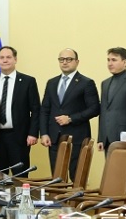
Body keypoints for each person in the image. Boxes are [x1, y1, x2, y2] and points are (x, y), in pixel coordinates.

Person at [39, 48, 100, 181]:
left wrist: (71, 118)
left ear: (77, 62)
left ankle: (75, 202)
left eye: (69, 59)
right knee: (57, 177)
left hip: (77, 137)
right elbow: (44, 109)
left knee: (76, 176)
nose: (65, 62)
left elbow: (95, 108)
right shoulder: (52, 82)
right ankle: (58, 201)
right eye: (61, 59)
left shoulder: (86, 83)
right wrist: (44, 133)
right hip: (54, 137)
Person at [0, 46, 40, 174]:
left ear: (15, 60)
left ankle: (21, 195)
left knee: (20, 175)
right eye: (2, 57)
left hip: (19, 137)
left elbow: (36, 109)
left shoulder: (28, 81)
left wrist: (33, 133)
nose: (5, 60)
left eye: (8, 57)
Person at [97, 47, 126, 152]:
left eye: (114, 60)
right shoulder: (105, 83)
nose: (110, 63)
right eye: (108, 60)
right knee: (110, 168)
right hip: (107, 139)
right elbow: (104, 111)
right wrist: (101, 138)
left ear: (124, 62)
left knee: (125, 168)